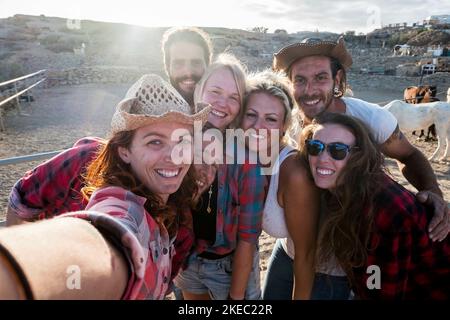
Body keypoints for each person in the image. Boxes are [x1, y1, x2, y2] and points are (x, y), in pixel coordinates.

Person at [6, 27, 213, 285]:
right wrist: (20, 275)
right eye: (155, 141)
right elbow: (23, 199)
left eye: (183, 141)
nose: (174, 155)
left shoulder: (181, 214)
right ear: (123, 149)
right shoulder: (84, 159)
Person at [272, 36, 449, 242]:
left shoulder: (372, 118)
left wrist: (433, 191)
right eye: (300, 80)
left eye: (320, 78)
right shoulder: (283, 124)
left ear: (337, 80)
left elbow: (409, 154)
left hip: (352, 254)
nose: (309, 90)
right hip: (293, 247)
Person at [299, 113, 450, 299]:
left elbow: (378, 288)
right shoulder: (343, 188)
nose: (322, 158)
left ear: (358, 157)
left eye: (337, 150)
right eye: (315, 147)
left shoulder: (383, 213)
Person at [173, 53, 267, 300]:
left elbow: (248, 239)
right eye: (215, 91)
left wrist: (236, 298)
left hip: (230, 267)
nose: (222, 103)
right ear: (199, 91)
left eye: (233, 97)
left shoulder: (247, 161)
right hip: (188, 260)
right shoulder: (176, 142)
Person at [239, 69, 321, 299]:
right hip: (287, 249)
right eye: (251, 115)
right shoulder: (246, 157)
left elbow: (307, 254)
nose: (258, 126)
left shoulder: (293, 172)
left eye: (271, 119)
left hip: (322, 266)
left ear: (284, 126)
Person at [162, 26, 213, 108]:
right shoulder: (149, 114)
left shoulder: (222, 111)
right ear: (167, 67)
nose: (188, 72)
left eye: (196, 63)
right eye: (178, 63)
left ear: (208, 65)